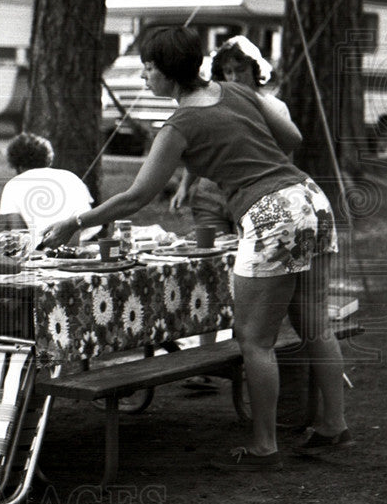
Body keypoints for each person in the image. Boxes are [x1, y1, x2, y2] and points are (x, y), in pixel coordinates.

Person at [40, 26, 348, 472]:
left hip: (270, 214)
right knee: (314, 322)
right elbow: (292, 139)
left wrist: (75, 221)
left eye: (148, 68)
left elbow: (137, 196)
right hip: (310, 200)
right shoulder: (236, 91)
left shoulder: (178, 125)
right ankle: (333, 424)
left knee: (254, 340)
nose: (144, 76)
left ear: (167, 73)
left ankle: (265, 445)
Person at [170, 35, 291, 235]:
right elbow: (203, 149)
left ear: (254, 69)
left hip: (251, 196)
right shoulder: (213, 106)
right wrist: (184, 186)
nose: (234, 77)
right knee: (211, 254)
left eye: (241, 70)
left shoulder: (275, 108)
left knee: (245, 258)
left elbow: (285, 154)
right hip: (210, 197)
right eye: (228, 72)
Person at [0, 132, 100, 248]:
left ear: (17, 165)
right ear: (48, 159)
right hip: (89, 243)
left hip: (47, 246)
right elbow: (88, 212)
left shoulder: (13, 185)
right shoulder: (70, 176)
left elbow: (18, 232)